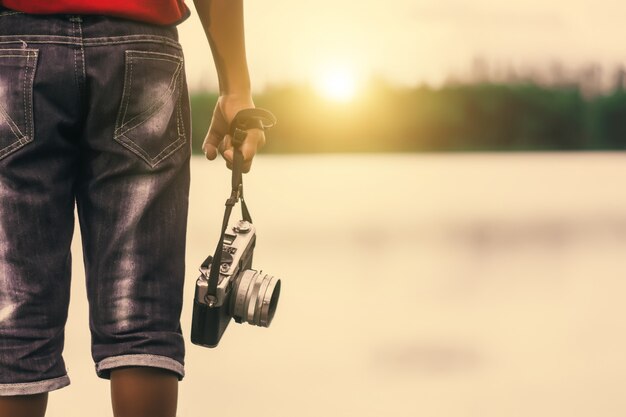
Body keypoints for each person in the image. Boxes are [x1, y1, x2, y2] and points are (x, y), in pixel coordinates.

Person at [0, 1, 265, 416]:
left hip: (15, 45)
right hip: (142, 46)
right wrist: (236, 90)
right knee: (141, 321)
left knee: (12, 320)